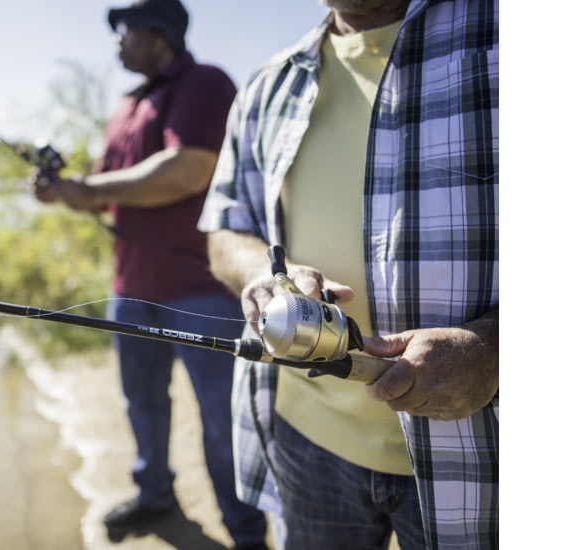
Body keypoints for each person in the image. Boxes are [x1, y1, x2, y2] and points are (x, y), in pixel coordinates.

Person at [197, 0, 498, 548]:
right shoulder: (267, 86)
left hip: (482, 459)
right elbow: (224, 230)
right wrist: (262, 275)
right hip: (304, 443)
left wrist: (495, 349)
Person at [33, 0, 270, 548]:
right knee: (141, 401)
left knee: (220, 423)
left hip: (201, 291)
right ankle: (155, 495)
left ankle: (246, 532)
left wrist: (90, 190)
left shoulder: (204, 83)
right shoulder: (125, 106)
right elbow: (106, 191)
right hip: (130, 289)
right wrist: (65, 192)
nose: (117, 42)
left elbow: (189, 168)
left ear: (159, 34)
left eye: (126, 31)